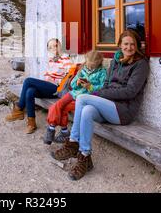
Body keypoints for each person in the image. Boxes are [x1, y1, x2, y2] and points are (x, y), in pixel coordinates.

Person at [51, 30, 150, 181]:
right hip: (108, 105)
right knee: (88, 111)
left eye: (132, 44)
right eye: (126, 44)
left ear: (137, 46)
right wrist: (98, 91)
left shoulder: (140, 64)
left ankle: (72, 143)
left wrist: (98, 94)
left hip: (124, 111)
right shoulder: (115, 61)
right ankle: (85, 156)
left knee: (83, 98)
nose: (129, 47)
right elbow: (105, 85)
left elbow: (130, 92)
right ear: (120, 46)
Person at [5, 39, 72, 134]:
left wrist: (57, 80)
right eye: (50, 47)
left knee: (28, 81)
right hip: (48, 87)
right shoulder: (51, 59)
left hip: (57, 88)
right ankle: (31, 123)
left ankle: (19, 108)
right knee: (30, 91)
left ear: (60, 45)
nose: (54, 48)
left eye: (55, 45)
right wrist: (48, 79)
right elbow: (49, 75)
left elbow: (69, 77)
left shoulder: (66, 59)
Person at [43, 51, 107, 145]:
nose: (89, 68)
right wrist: (77, 82)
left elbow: (103, 88)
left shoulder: (102, 72)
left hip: (84, 98)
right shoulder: (83, 68)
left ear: (99, 63)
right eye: (88, 65)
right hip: (74, 93)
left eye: (92, 66)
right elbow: (72, 84)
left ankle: (64, 132)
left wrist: (90, 87)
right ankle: (51, 127)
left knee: (64, 108)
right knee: (58, 105)